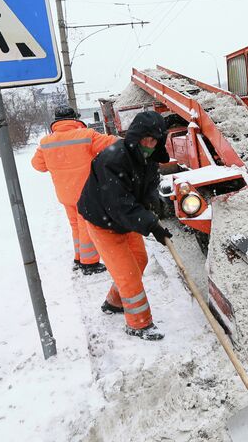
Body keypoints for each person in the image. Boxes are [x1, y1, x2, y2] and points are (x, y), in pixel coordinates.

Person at [77, 111, 171, 341]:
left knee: (140, 260)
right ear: (136, 135)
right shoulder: (113, 160)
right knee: (128, 273)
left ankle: (113, 302)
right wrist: (151, 225)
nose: (149, 145)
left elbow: (149, 182)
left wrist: (153, 201)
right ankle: (138, 324)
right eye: (146, 139)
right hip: (102, 221)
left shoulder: (149, 158)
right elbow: (119, 205)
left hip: (123, 219)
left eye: (154, 140)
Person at [31, 106, 116, 275]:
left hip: (65, 193)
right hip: (85, 192)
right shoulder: (86, 135)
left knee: (75, 226)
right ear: (75, 118)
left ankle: (79, 257)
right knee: (86, 226)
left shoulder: (46, 142)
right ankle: (89, 263)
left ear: (55, 121)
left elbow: (38, 165)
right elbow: (112, 144)